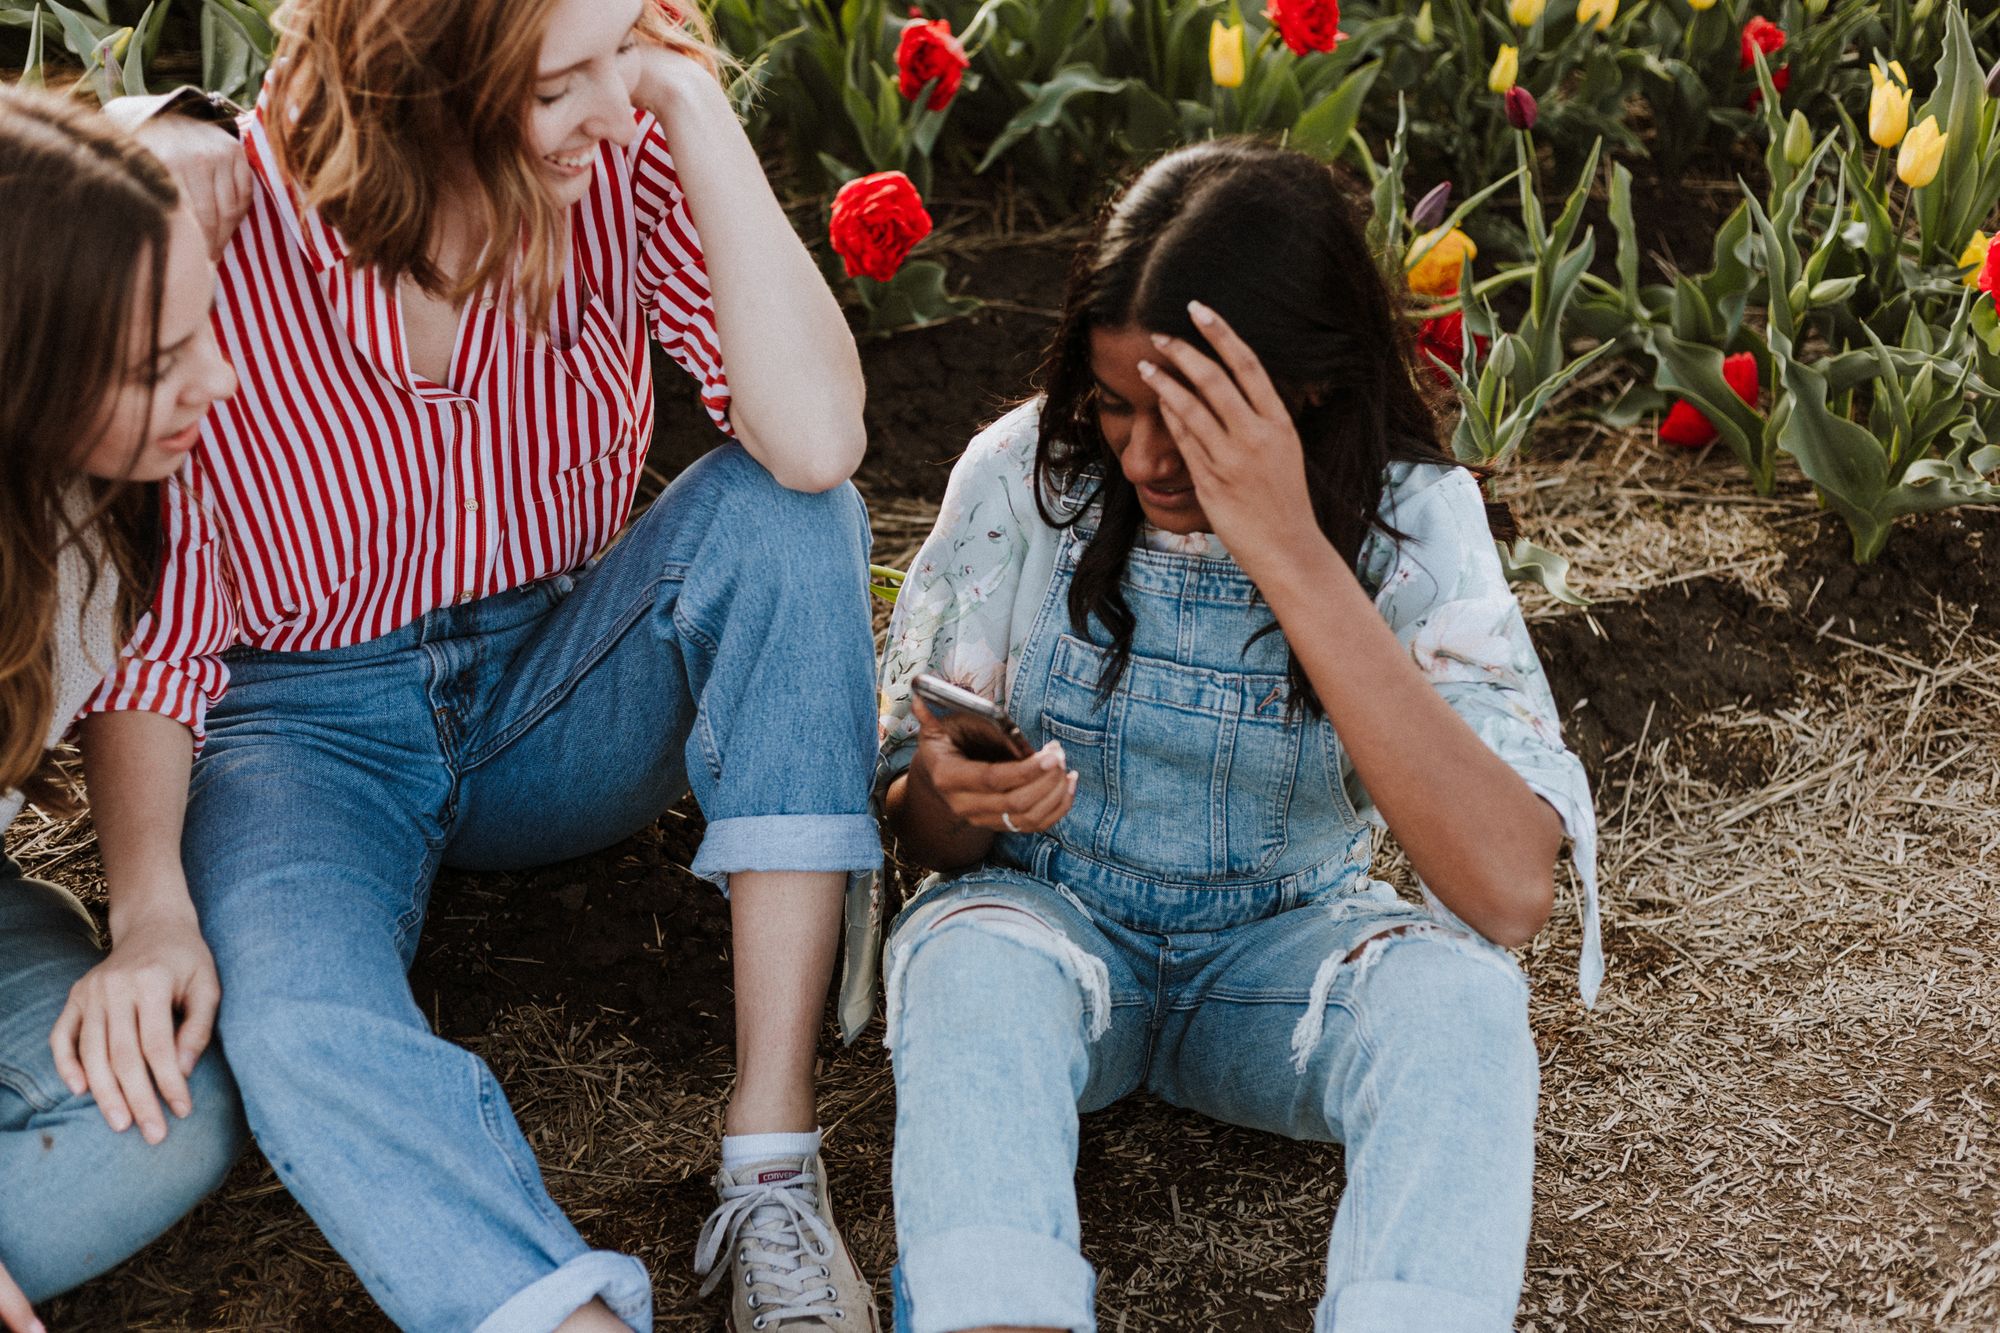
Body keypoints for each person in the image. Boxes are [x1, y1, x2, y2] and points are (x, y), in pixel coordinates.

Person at [103, 0, 882, 1327]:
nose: (613, 105)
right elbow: (159, 621)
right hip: (306, 731)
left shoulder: (621, 158)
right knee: (294, 1027)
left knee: (793, 513)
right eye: (562, 82)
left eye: (621, 57)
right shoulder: (220, 219)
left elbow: (812, 441)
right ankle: (549, 1307)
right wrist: (149, 908)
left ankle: (769, 1161)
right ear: (421, 89)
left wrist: (692, 104)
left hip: (558, 680)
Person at [876, 139, 1603, 1333]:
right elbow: (921, 831)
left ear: (1303, 389)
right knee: (967, 962)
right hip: (1051, 927)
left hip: (1284, 952)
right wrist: (954, 798)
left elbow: (1508, 892)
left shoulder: (1408, 522)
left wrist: (1286, 545)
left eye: (1190, 422)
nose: (1146, 458)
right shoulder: (1025, 476)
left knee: (1462, 1007)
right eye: (1116, 405)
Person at [0, 87, 245, 1331]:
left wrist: (152, 913)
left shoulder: (104, 504)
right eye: (157, 366)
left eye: (204, 327)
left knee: (163, 1113)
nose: (221, 379)